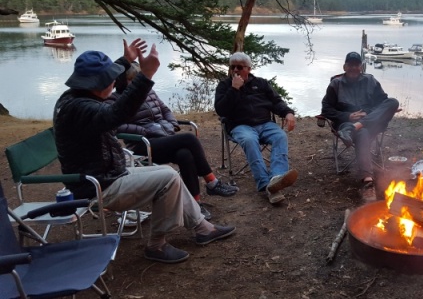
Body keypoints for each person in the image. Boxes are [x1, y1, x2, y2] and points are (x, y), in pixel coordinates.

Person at [53, 39, 235, 264]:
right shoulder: (81, 108)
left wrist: (126, 61)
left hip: (109, 175)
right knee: (167, 177)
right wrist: (145, 75)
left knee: (169, 175)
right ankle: (156, 246)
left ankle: (203, 228)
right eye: (110, 79)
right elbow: (116, 115)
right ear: (99, 84)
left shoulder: (74, 98)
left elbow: (111, 99)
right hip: (96, 187)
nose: (114, 82)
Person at [107, 62, 239, 221]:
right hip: (143, 145)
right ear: (122, 81)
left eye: (137, 79)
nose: (136, 84)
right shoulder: (114, 100)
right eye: (132, 80)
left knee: (184, 154)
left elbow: (166, 111)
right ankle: (212, 182)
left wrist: (171, 125)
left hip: (164, 138)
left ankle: (195, 204)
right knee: (189, 138)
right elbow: (118, 127)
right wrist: (146, 130)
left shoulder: (148, 91)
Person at [214, 52, 298, 205]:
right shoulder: (224, 86)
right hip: (240, 126)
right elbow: (221, 110)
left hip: (265, 124)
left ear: (249, 68)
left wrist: (288, 112)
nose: (235, 70)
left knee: (280, 136)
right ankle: (266, 184)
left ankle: (276, 178)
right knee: (249, 140)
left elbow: (276, 101)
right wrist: (234, 90)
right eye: (232, 67)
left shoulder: (261, 84)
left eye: (239, 67)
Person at [321, 51, 399, 201]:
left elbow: (383, 102)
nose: (353, 68)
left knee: (393, 102)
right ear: (345, 66)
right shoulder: (336, 84)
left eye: (356, 65)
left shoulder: (371, 81)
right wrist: (347, 116)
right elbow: (326, 109)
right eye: (350, 65)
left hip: (370, 122)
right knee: (363, 133)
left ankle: (357, 125)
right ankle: (367, 182)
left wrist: (367, 114)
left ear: (361, 67)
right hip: (346, 125)